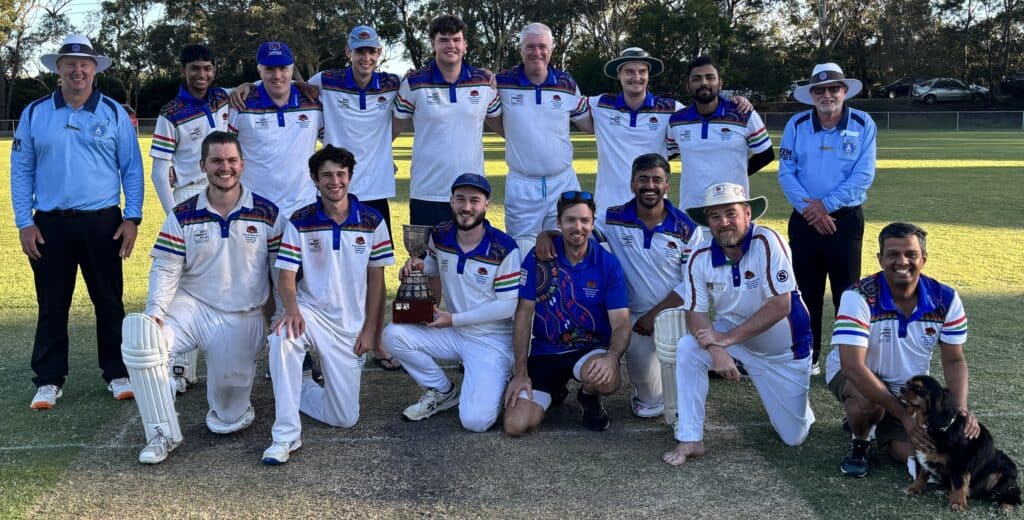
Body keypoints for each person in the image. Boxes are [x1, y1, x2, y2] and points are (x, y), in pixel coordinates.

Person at [124, 131, 286, 464]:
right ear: (203, 165)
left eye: (231, 161)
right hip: (192, 306)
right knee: (144, 338)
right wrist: (155, 313)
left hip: (244, 314)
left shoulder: (268, 213)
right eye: (216, 161)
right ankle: (161, 434)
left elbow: (280, 272)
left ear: (242, 164)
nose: (224, 168)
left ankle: (220, 397)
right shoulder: (182, 214)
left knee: (227, 419)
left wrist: (279, 317)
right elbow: (166, 269)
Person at [11, 34, 143, 409]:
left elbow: (131, 169)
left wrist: (132, 217)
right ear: (59, 69)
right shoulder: (36, 112)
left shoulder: (114, 112)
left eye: (85, 64)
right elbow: (21, 170)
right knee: (52, 302)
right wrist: (24, 222)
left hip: (103, 221)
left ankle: (118, 373)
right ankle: (49, 380)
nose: (77, 70)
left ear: (94, 69)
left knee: (109, 301)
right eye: (70, 64)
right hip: (50, 223)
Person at [662, 182, 815, 466]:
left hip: (784, 352)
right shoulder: (700, 255)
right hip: (734, 343)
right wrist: (717, 348)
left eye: (731, 213)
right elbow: (694, 312)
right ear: (707, 221)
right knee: (688, 348)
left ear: (747, 213)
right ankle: (690, 437)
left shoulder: (769, 242)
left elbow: (781, 305)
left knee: (794, 436)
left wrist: (725, 340)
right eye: (715, 217)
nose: (724, 223)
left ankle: (800, 406)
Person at [263, 145, 394, 465]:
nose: (334, 181)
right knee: (283, 336)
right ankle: (285, 435)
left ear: (350, 176)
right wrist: (291, 310)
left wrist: (369, 331)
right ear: (314, 180)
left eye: (340, 174)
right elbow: (286, 275)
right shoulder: (301, 220)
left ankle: (303, 386)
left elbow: (377, 282)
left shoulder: (372, 220)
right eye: (326, 176)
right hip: (310, 311)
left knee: (344, 417)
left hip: (350, 325)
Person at [826, 222, 976, 478]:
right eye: (893, 254)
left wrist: (960, 411)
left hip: (907, 389)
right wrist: (904, 416)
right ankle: (860, 441)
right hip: (854, 374)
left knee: (918, 455)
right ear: (880, 258)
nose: (902, 261)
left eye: (911, 254)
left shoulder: (946, 298)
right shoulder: (857, 296)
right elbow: (852, 366)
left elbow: (954, 361)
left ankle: (880, 424)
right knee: (867, 401)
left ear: (924, 259)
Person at [381, 174, 520, 431]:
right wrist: (421, 265)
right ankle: (442, 390)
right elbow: (439, 265)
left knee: (475, 422)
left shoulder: (505, 247)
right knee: (392, 335)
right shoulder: (442, 234)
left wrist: (454, 319)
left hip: (491, 340)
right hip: (455, 331)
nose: (466, 207)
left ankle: (499, 374)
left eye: (474, 201)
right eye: (460, 199)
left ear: (487, 204)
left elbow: (508, 305)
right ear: (451, 201)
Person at [503, 191, 631, 435]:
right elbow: (523, 314)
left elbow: (622, 324)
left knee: (606, 380)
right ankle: (554, 389)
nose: (578, 227)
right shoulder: (538, 257)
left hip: (589, 349)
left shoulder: (608, 264)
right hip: (546, 351)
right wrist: (520, 372)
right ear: (559, 223)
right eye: (570, 220)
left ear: (593, 223)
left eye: (585, 220)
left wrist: (611, 358)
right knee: (514, 425)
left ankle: (588, 395)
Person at [778, 62, 877, 375]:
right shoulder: (796, 124)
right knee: (806, 292)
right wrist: (812, 210)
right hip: (804, 221)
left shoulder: (863, 123)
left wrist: (827, 206)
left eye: (833, 88)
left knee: (848, 293)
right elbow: (786, 172)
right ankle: (810, 356)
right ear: (811, 94)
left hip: (845, 222)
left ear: (844, 91)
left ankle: (847, 362)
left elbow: (863, 176)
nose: (827, 95)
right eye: (819, 90)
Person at [150, 44, 231, 394]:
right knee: (184, 285)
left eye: (208, 68)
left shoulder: (224, 98)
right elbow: (158, 171)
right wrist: (175, 216)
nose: (202, 75)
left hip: (224, 195)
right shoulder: (171, 112)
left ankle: (206, 361)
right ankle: (176, 367)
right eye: (195, 68)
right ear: (183, 70)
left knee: (220, 280)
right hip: (188, 198)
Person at [598, 154, 702, 417]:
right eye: (643, 179)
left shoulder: (687, 228)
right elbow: (578, 229)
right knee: (651, 404)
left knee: (681, 391)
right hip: (632, 317)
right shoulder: (612, 218)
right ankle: (648, 387)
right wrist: (548, 234)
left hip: (674, 314)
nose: (650, 186)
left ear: (667, 184)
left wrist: (654, 315)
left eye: (657, 179)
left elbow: (692, 282)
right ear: (632, 184)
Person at [392, 14, 502, 229]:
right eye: (443, 40)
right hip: (427, 191)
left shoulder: (484, 82)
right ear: (433, 45)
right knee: (423, 261)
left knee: (469, 260)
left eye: (456, 40)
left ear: (465, 45)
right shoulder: (414, 83)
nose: (450, 45)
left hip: (471, 192)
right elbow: (390, 132)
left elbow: (507, 130)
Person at [494, 22, 591, 252]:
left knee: (567, 249)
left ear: (551, 49)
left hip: (563, 182)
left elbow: (589, 124)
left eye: (542, 46)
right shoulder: (502, 82)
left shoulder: (567, 84)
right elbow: (488, 114)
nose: (536, 52)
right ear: (520, 49)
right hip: (522, 185)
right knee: (522, 252)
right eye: (530, 46)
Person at [228, 40, 323, 218]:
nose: (277, 75)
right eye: (270, 69)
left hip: (303, 209)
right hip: (253, 211)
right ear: (259, 70)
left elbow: (343, 135)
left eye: (283, 68)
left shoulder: (312, 102)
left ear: (292, 68)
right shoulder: (239, 104)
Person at [666, 56, 773, 212]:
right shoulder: (676, 120)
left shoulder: (743, 113)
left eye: (710, 77)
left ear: (720, 83)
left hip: (733, 209)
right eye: (696, 78)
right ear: (688, 86)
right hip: (691, 210)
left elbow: (766, 154)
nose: (704, 83)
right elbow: (667, 154)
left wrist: (736, 175)